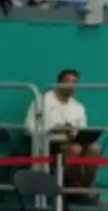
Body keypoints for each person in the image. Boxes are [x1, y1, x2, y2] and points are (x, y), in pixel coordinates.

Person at [25, 69, 102, 203]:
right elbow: (28, 127)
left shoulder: (78, 107)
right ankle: (58, 188)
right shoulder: (42, 101)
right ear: (59, 83)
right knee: (74, 149)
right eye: (67, 81)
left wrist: (72, 132)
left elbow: (81, 130)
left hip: (71, 141)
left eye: (74, 82)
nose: (71, 85)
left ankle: (85, 187)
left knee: (94, 148)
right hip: (48, 143)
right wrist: (53, 129)